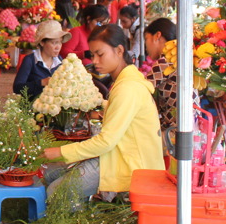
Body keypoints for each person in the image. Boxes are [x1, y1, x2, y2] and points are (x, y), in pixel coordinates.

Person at [42, 24, 164, 200]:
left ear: (119, 51)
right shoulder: (127, 81)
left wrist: (60, 152)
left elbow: (106, 142)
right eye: (92, 55)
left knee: (57, 192)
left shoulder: (128, 88)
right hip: (117, 154)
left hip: (129, 164)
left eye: (100, 54)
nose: (95, 61)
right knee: (50, 175)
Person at [12, 20, 72, 101]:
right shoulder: (30, 60)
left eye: (60, 43)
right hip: (32, 107)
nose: (58, 47)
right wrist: (41, 83)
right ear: (42, 43)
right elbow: (17, 88)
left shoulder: (60, 61)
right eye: (54, 43)